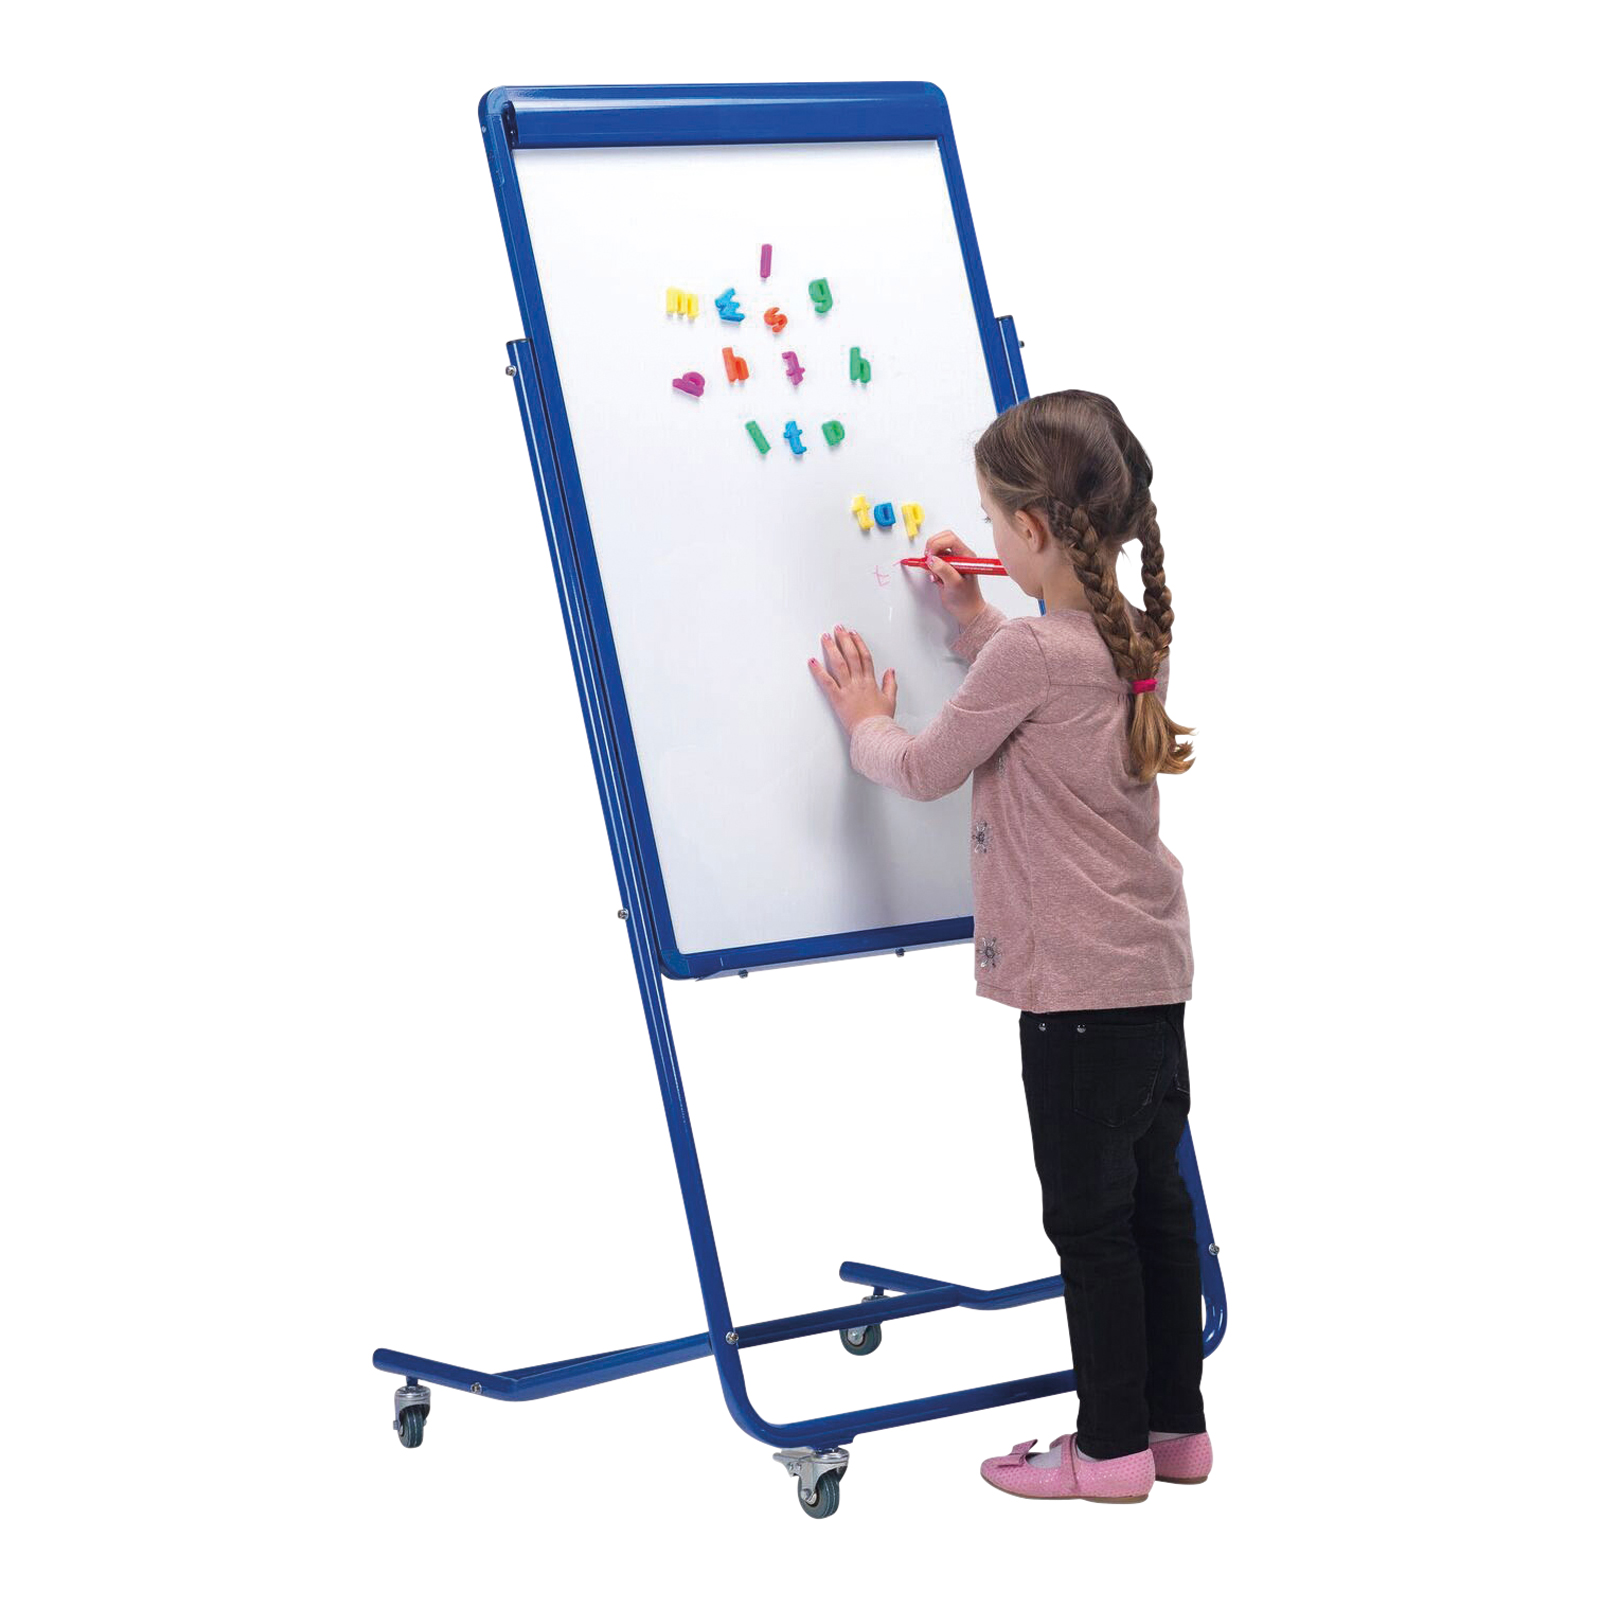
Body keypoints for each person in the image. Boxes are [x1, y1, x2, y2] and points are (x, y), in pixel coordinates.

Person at [807, 390, 1210, 1504]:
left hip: (1073, 1000)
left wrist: (863, 720)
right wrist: (970, 619)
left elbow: (925, 767)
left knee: (1089, 1227)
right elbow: (1046, 694)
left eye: (991, 518)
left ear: (1030, 530)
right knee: (1153, 1211)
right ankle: (1175, 1432)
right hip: (1148, 983)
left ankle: (1109, 1451)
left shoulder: (1032, 653)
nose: (985, 535)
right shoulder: (1130, 637)